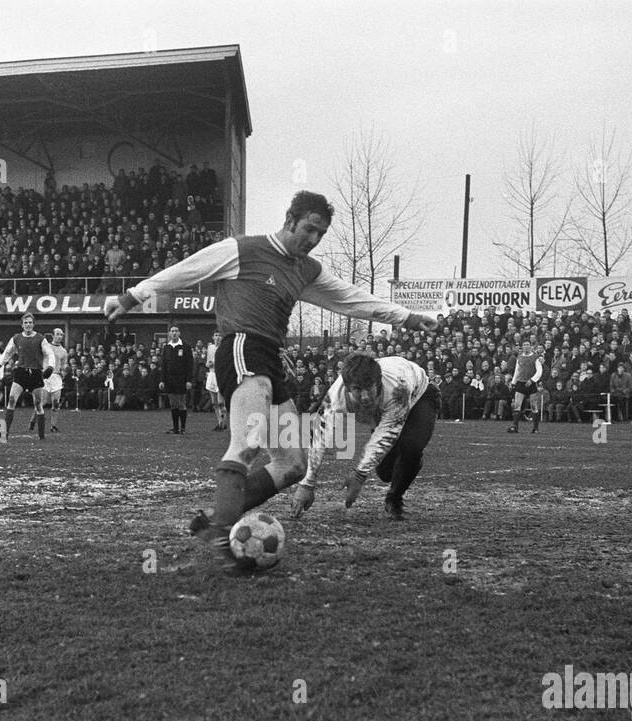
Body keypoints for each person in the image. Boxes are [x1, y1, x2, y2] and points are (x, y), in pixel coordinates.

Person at [103, 190, 438, 569]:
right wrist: (131, 296)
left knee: (292, 463)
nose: (312, 240)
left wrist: (405, 317)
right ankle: (220, 539)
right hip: (242, 346)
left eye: (320, 235)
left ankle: (219, 520)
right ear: (290, 219)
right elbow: (185, 270)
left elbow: (350, 298)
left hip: (271, 359)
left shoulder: (306, 269)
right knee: (245, 443)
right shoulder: (241, 250)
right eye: (309, 229)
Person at [292, 352, 438, 522]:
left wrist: (359, 475)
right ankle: (403, 469)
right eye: (357, 390)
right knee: (385, 473)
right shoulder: (335, 396)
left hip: (421, 396)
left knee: (410, 448)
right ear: (347, 388)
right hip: (383, 408)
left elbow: (386, 433)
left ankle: (394, 498)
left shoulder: (398, 388)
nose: (365, 396)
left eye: (369, 387)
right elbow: (319, 436)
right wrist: (307, 483)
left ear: (379, 381)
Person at [0, 313, 55, 440]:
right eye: (26, 322)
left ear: (33, 324)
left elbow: (50, 354)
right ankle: (4, 433)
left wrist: (50, 367)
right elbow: (7, 353)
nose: (28, 324)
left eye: (30, 322)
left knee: (38, 404)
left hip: (36, 374)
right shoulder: (16, 338)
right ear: (22, 325)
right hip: (21, 372)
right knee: (12, 400)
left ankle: (41, 436)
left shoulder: (40, 338)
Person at [159, 324, 194, 434]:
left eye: (176, 331)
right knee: (173, 403)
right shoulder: (166, 347)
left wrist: (189, 380)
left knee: (181, 403)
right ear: (169, 333)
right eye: (172, 331)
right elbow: (163, 365)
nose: (174, 333)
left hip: (182, 379)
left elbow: (190, 365)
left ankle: (183, 428)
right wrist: (162, 380)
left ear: (179, 333)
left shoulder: (185, 347)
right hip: (170, 380)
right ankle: (175, 428)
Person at [507, 342, 543, 433]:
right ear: (522, 347)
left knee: (534, 406)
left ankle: (535, 428)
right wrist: (513, 382)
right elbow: (517, 370)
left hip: (531, 384)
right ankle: (515, 427)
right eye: (524, 345)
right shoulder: (519, 357)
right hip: (521, 383)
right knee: (517, 405)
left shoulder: (535, 357)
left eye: (527, 345)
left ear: (530, 346)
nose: (526, 346)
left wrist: (532, 380)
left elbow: (539, 371)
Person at [41, 328, 69, 434]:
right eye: (57, 334)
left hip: (56, 377)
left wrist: (65, 371)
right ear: (53, 336)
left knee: (55, 403)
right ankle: (33, 421)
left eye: (61, 335)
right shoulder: (46, 347)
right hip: (46, 376)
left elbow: (64, 365)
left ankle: (53, 426)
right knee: (42, 402)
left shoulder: (63, 351)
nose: (59, 336)